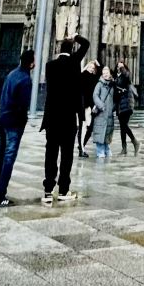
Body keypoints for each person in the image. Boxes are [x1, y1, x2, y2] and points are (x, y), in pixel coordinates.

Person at [40, 32, 89, 205]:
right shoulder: (74, 62)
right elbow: (86, 44)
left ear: (58, 49)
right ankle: (63, 190)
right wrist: (76, 37)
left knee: (51, 154)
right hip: (68, 117)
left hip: (52, 117)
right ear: (72, 49)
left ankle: (47, 190)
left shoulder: (49, 66)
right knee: (67, 155)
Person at [0, 48, 34, 207]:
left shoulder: (11, 74)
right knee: (8, 158)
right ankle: (0, 196)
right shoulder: (25, 79)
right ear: (31, 63)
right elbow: (23, 105)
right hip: (14, 122)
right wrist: (23, 121)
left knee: (0, 155)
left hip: (3, 118)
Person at [115, 59, 140, 156]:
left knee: (124, 125)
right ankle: (124, 148)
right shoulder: (117, 77)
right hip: (120, 105)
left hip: (127, 104)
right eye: (118, 66)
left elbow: (126, 77)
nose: (119, 68)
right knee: (122, 127)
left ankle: (135, 142)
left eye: (121, 67)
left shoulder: (126, 75)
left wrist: (122, 68)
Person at [77, 60, 99, 157]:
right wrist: (85, 67)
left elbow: (102, 72)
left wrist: (97, 63)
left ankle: (81, 146)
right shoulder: (82, 76)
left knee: (89, 128)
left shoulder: (94, 78)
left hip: (91, 106)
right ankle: (81, 149)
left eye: (92, 67)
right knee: (83, 127)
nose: (91, 69)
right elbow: (77, 76)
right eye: (89, 67)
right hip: (83, 106)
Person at [93, 65, 115, 157]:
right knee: (100, 130)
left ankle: (106, 148)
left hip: (109, 113)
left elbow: (115, 98)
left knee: (107, 131)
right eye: (104, 73)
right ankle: (100, 151)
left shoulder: (113, 84)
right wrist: (101, 106)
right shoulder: (99, 84)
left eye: (107, 73)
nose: (105, 74)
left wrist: (113, 107)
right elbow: (95, 95)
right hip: (101, 112)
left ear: (110, 74)